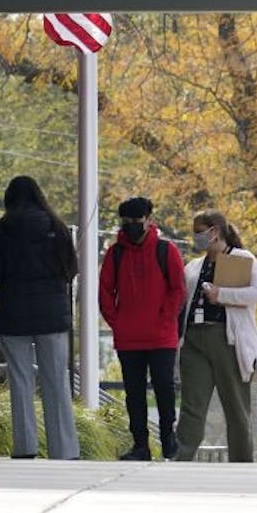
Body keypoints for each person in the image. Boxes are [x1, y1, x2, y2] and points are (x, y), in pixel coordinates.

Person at [0, 176, 80, 460]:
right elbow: (72, 269)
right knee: (56, 380)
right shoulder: (56, 228)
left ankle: (25, 448)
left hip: (15, 315)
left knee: (21, 380)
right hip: (53, 317)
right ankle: (64, 450)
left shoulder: (3, 231)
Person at [174, 209, 257, 462]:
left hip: (228, 340)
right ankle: (180, 458)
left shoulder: (241, 258)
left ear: (214, 231)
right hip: (194, 340)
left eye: (199, 232)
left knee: (236, 408)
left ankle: (241, 463)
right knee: (192, 406)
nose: (196, 238)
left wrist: (222, 295)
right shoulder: (194, 266)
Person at [98, 197, 187, 461]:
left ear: (149, 220)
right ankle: (140, 445)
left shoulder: (165, 250)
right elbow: (105, 291)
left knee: (164, 387)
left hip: (161, 336)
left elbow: (178, 290)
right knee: (133, 393)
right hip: (129, 337)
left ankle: (168, 439)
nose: (131, 227)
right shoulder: (116, 253)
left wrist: (165, 317)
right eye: (126, 223)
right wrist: (118, 321)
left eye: (136, 222)